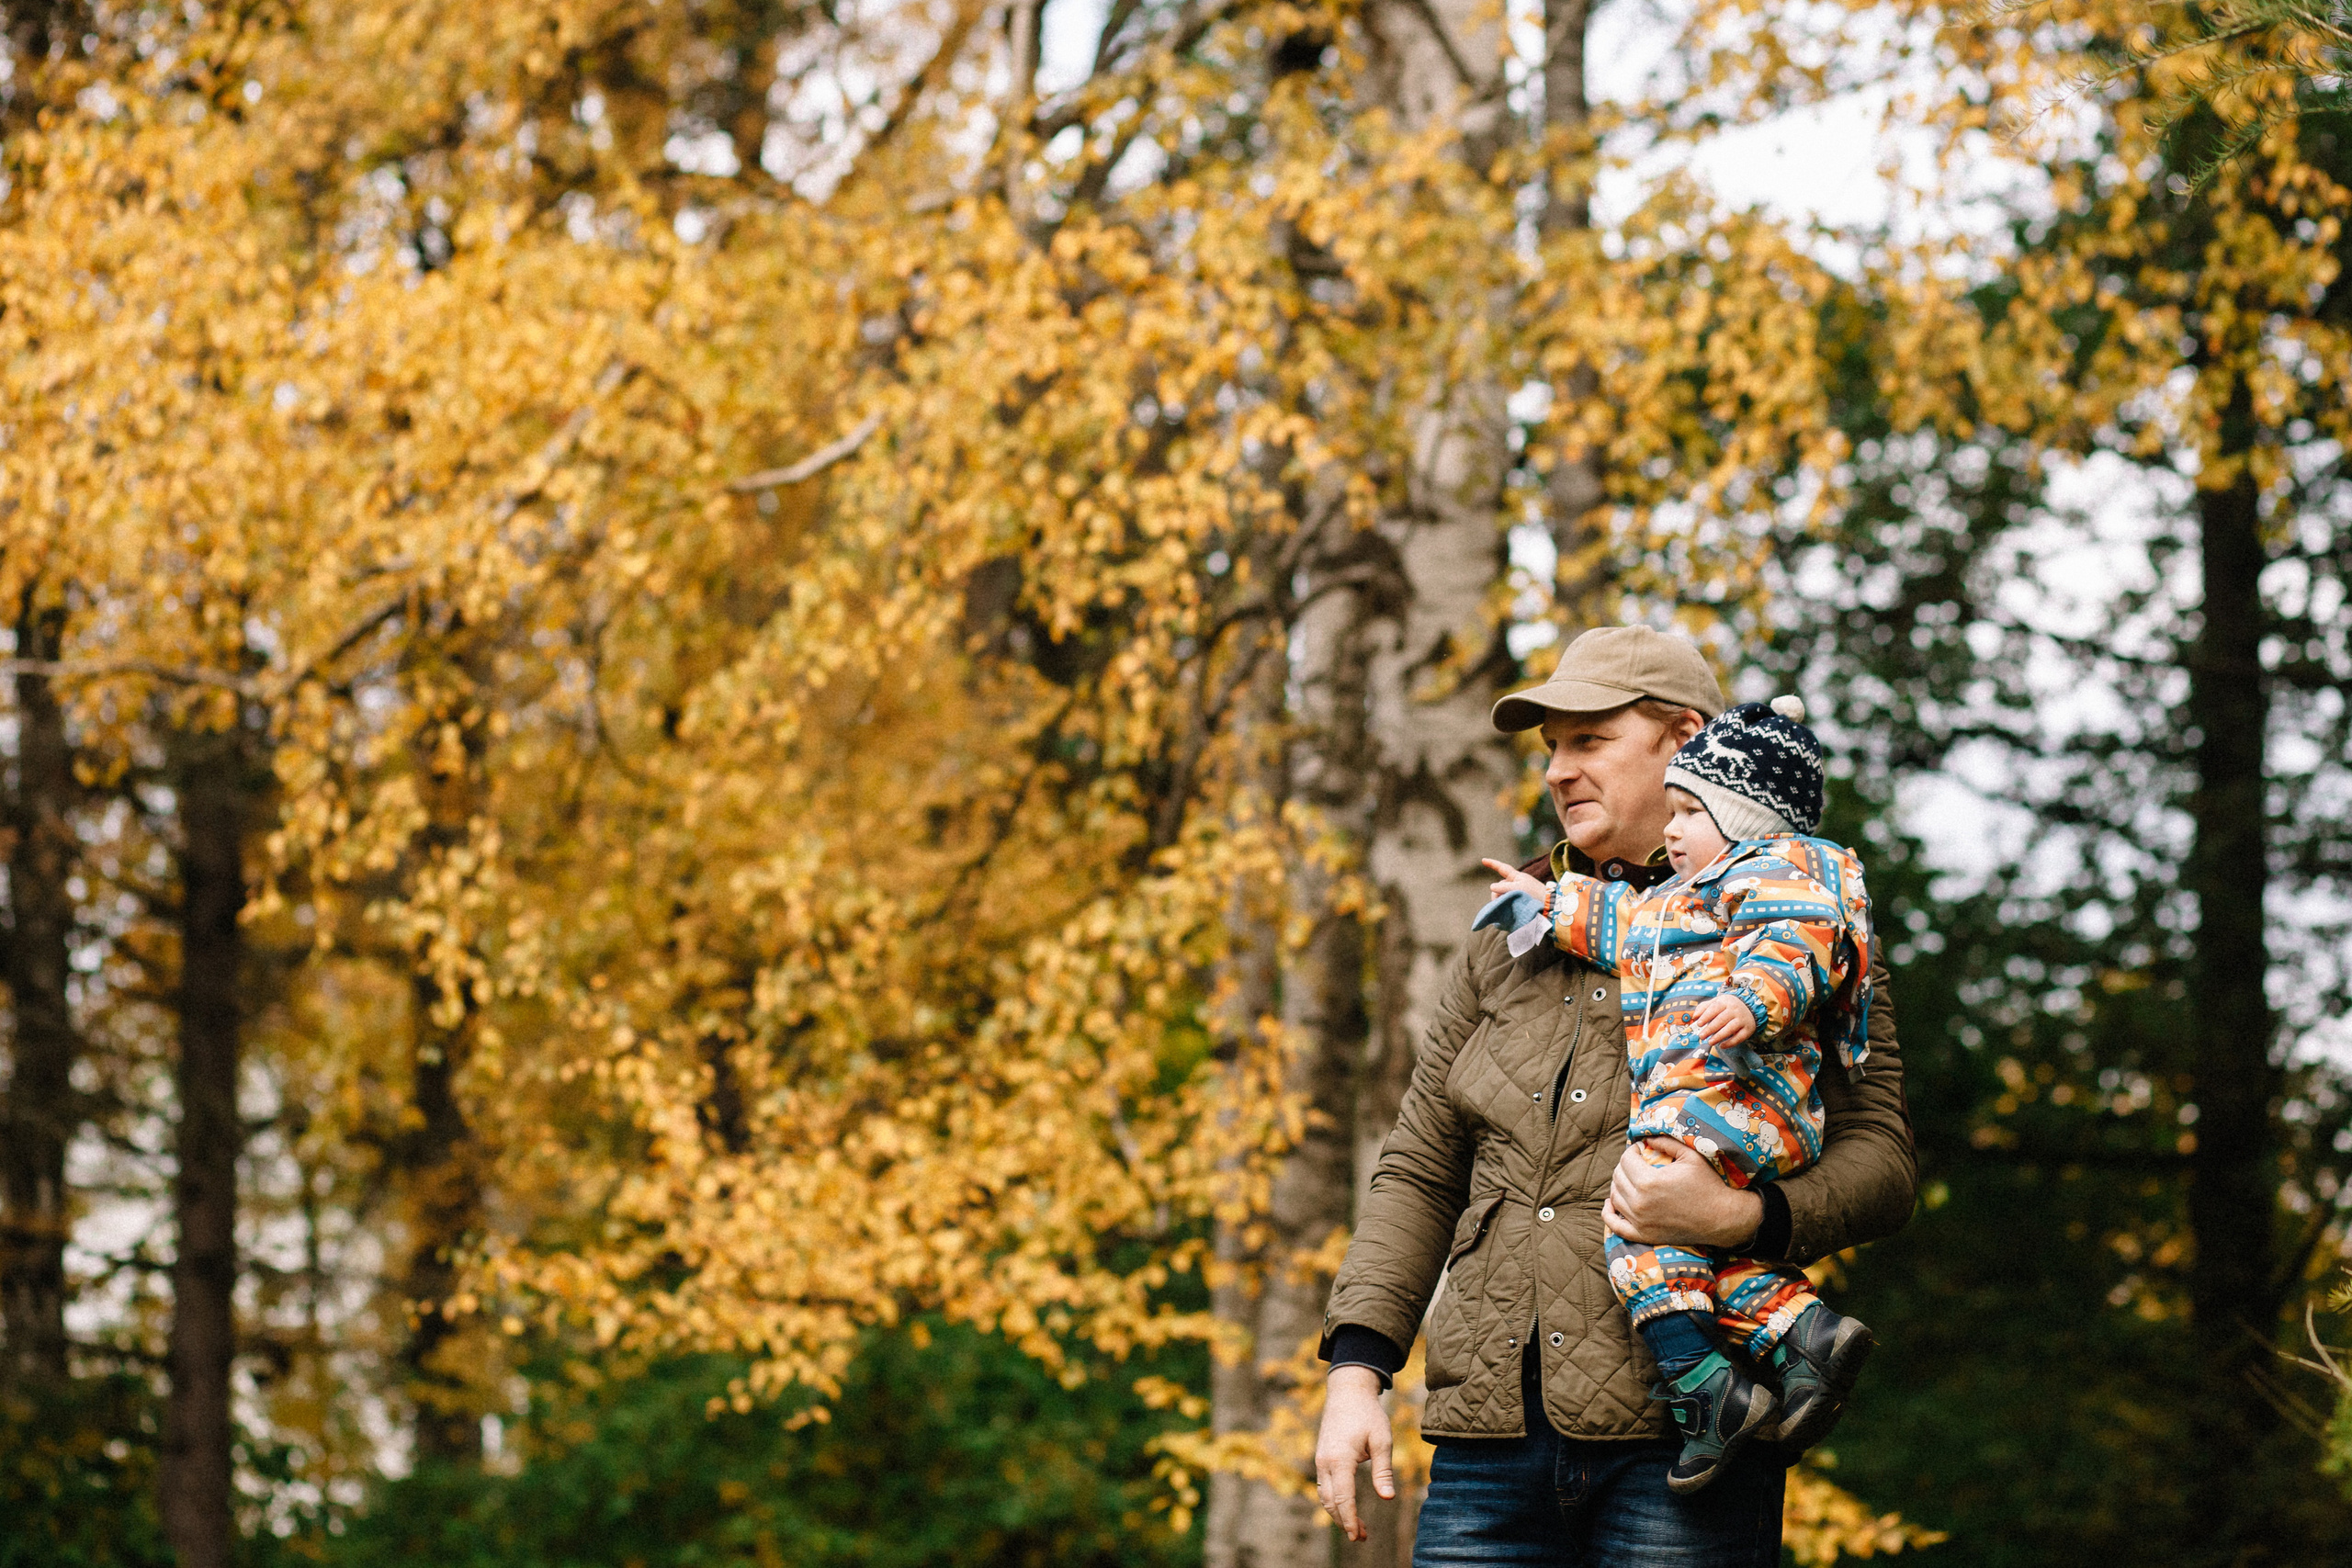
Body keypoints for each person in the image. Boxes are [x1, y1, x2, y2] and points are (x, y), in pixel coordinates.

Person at [1313, 626, 1916, 1566]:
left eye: (1587, 740)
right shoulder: (1512, 927)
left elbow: (1882, 1162)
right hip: (1484, 1439)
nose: (1557, 771)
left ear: (1683, 739)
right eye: (1550, 747)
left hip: (1690, 1436)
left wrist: (1741, 1218)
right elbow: (1422, 1165)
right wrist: (1357, 1370)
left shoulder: (1801, 919)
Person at [1477, 694, 1879, 1495]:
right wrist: (1547, 905)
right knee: (1696, 1258)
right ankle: (1805, 1334)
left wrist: (1755, 1000)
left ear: (1747, 820)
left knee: (1634, 1236)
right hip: (1706, 1104)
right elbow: (1627, 928)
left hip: (1738, 1101)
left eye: (1689, 811)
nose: (1671, 828)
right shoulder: (1686, 901)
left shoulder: (1782, 875)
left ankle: (1706, 1392)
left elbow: (1799, 938)